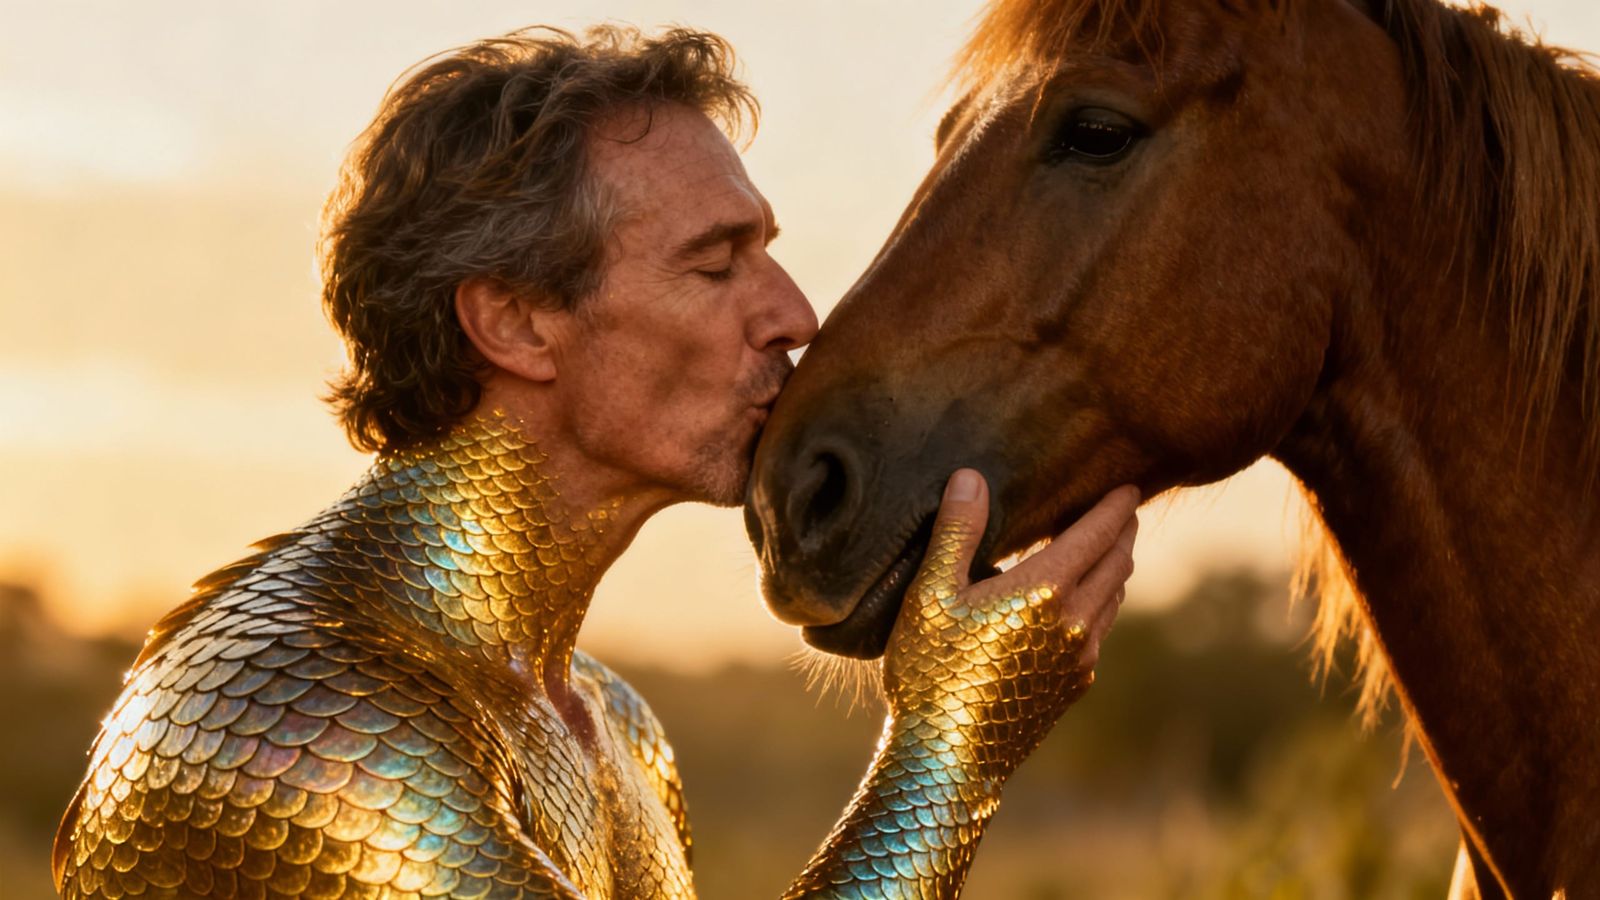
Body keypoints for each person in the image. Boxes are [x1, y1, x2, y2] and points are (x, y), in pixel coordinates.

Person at [52, 26, 1139, 899]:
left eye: (764, 251)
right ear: (517, 322)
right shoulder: (307, 728)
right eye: (714, 266)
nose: (795, 316)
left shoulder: (612, 724)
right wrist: (945, 758)